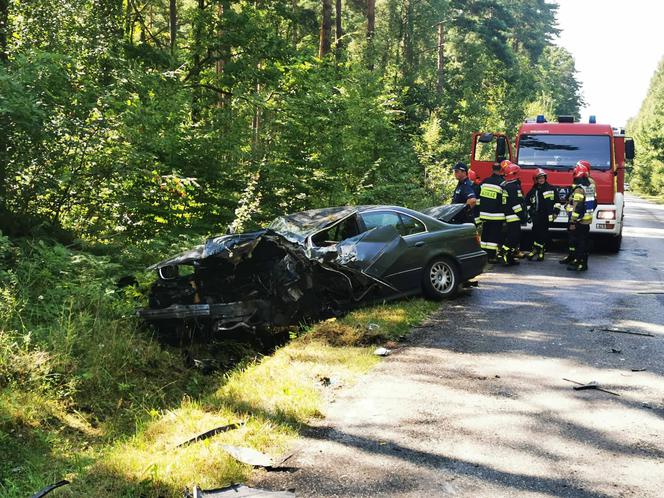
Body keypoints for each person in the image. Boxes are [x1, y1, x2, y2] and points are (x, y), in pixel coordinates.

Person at [560, 161, 595, 271]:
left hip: (579, 221)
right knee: (582, 242)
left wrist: (573, 221)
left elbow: (578, 206)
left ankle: (580, 263)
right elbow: (592, 202)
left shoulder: (580, 188)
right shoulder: (588, 186)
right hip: (586, 219)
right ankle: (579, 261)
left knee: (580, 243)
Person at [478, 162, 507, 263]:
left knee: (485, 234)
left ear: (492, 169)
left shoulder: (485, 181)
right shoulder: (503, 183)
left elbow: (478, 197)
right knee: (494, 237)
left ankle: (483, 256)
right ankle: (491, 257)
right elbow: (504, 201)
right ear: (501, 170)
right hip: (497, 216)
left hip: (485, 215)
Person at [525, 169, 556, 261]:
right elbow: (527, 201)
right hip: (536, 215)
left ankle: (541, 251)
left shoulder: (551, 188)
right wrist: (529, 212)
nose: (541, 180)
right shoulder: (534, 189)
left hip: (545, 216)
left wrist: (555, 213)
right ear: (536, 179)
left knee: (543, 234)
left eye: (543, 178)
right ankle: (535, 250)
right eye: (539, 178)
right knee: (535, 232)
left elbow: (557, 202)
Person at [501, 162, 526, 265]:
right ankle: (504, 254)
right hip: (513, 216)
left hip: (509, 215)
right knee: (513, 237)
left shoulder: (507, 185)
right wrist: (522, 215)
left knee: (514, 237)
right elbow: (516, 204)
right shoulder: (513, 187)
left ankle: (510, 257)